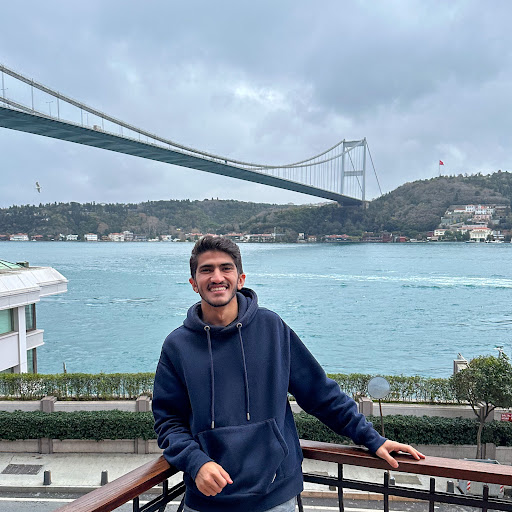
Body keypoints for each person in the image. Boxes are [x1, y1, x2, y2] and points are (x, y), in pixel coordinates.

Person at [153, 236, 424, 512]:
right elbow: (168, 422)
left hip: (276, 497)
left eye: (226, 268)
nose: (217, 277)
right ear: (194, 283)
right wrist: (196, 462)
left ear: (241, 279)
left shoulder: (272, 328)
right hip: (208, 500)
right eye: (206, 270)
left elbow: (319, 393)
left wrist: (372, 439)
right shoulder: (177, 346)